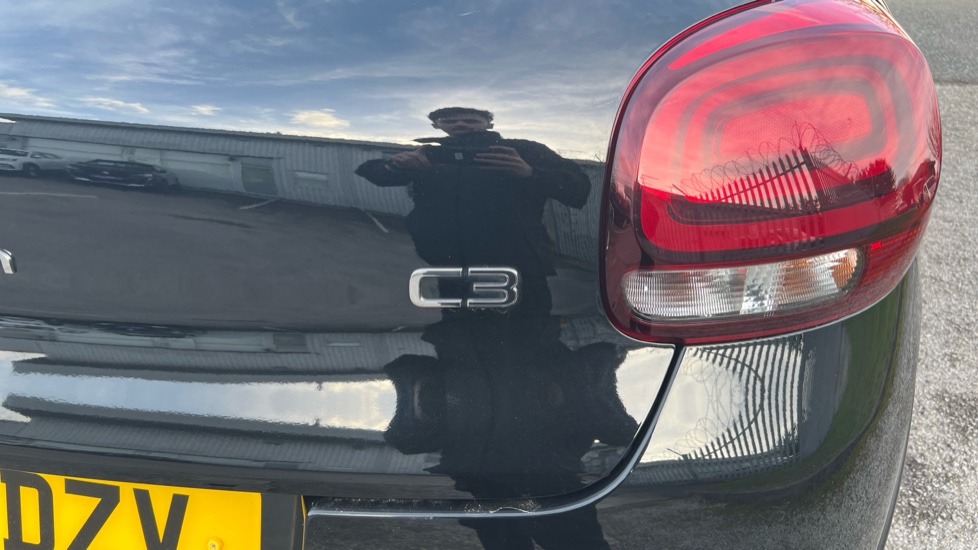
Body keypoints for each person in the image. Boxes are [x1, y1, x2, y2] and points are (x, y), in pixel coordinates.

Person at [355, 107, 591, 314]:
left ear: (489, 124)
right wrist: (394, 165)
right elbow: (373, 173)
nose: (460, 124)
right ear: (436, 125)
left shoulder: (524, 150)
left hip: (520, 264)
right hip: (447, 262)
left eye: (470, 120)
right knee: (454, 333)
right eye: (450, 120)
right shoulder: (427, 154)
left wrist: (531, 173)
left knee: (531, 330)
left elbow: (579, 188)